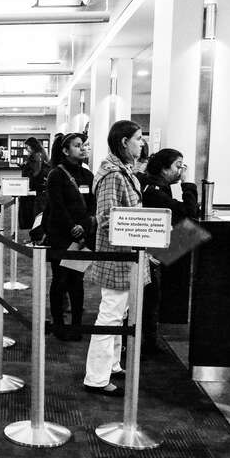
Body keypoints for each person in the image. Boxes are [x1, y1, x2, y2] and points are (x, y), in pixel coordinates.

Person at [83, 120, 150, 397]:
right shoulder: (113, 174)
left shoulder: (124, 171)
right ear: (124, 142)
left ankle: (110, 364)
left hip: (127, 255)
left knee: (117, 313)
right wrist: (144, 230)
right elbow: (108, 218)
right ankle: (96, 377)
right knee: (110, 315)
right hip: (118, 256)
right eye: (138, 138)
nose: (142, 143)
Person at [140, 148, 198, 356]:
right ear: (164, 168)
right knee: (149, 298)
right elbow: (191, 213)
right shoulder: (154, 191)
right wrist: (188, 184)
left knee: (151, 298)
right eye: (177, 166)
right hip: (148, 254)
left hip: (152, 250)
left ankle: (148, 341)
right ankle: (146, 344)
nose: (181, 170)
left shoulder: (154, 187)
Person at [44, 133, 96, 342]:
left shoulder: (88, 175)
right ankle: (58, 324)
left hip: (82, 235)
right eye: (77, 146)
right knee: (60, 279)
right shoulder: (56, 174)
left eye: (84, 145)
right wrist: (72, 227)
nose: (83, 148)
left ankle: (76, 324)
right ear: (65, 151)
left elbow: (93, 204)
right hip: (61, 235)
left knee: (77, 280)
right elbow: (57, 206)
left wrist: (83, 227)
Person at [23, 137, 50, 219]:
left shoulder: (37, 155)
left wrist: (29, 181)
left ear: (32, 146)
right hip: (40, 186)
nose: (26, 149)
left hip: (38, 186)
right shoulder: (41, 154)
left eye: (27, 147)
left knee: (38, 210)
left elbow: (36, 171)